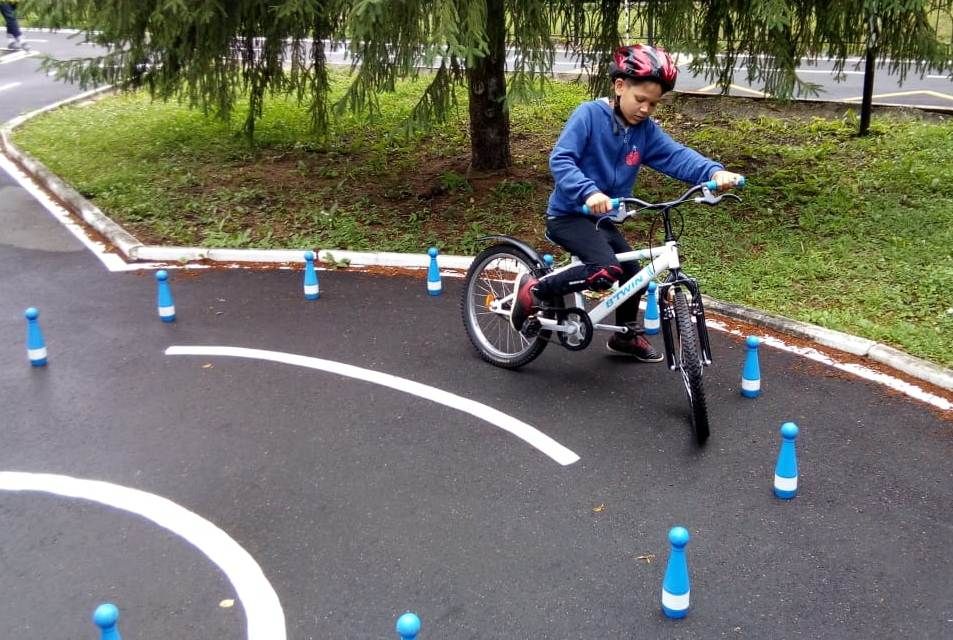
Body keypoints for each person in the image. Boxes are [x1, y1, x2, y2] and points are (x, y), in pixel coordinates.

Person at [510, 43, 744, 362]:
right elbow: (562, 159)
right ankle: (536, 290)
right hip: (569, 214)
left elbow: (677, 156)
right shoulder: (589, 116)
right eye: (640, 99)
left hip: (601, 219)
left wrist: (714, 172)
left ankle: (624, 336)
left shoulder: (644, 132)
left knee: (633, 272)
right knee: (606, 269)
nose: (646, 109)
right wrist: (588, 192)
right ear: (620, 86)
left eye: (654, 103)